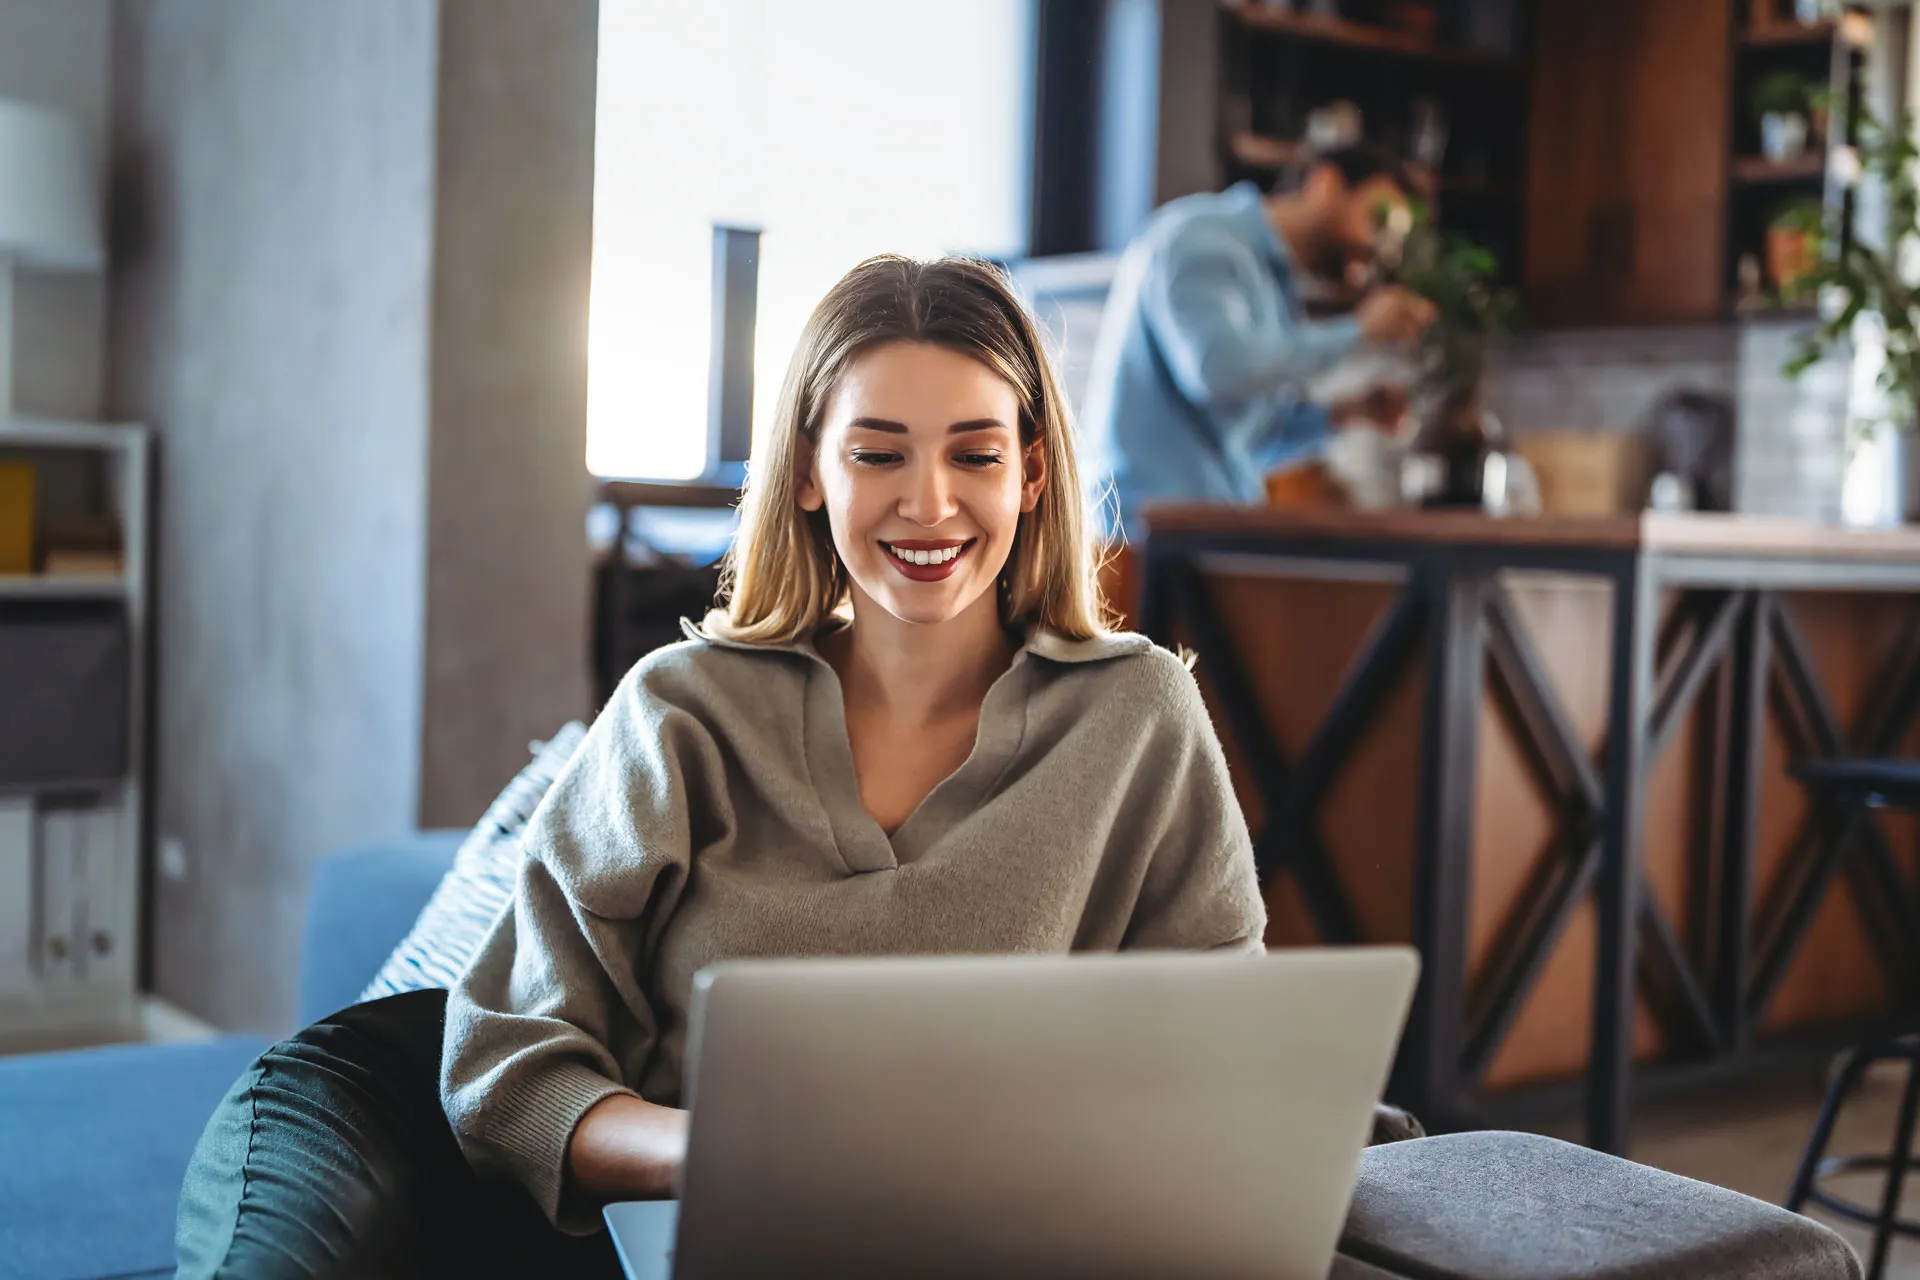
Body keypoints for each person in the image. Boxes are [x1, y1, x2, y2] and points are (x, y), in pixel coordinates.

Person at [174, 254, 1265, 1277]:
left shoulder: (1136, 717)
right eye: (877, 451)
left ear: (1031, 473)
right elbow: (507, 1066)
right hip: (644, 1221)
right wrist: (728, 1153)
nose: (928, 502)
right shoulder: (681, 710)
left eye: (974, 452)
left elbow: (1225, 1067)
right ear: (804, 473)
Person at [1082, 146, 1439, 541]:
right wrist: (1359, 330)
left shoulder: (1272, 280)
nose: (1380, 248)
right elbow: (1218, 371)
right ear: (1327, 184)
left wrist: (1345, 414)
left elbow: (1250, 445)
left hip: (1204, 529)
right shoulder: (1203, 239)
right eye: (1378, 220)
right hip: (1145, 541)